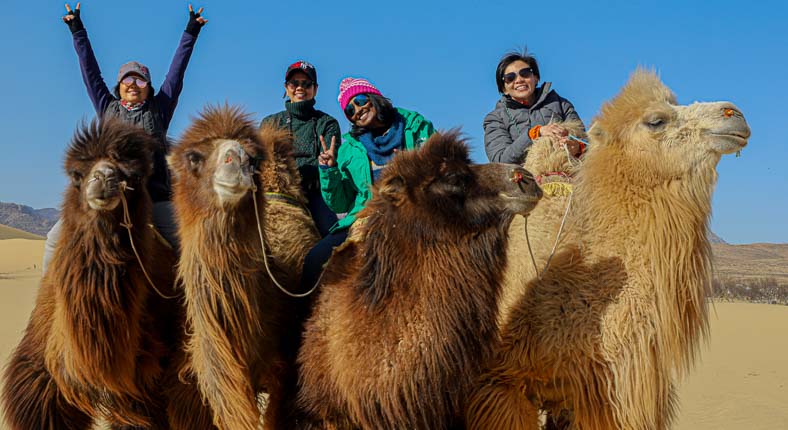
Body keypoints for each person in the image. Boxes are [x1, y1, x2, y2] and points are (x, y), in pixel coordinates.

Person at [43, 2, 208, 272]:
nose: (133, 85)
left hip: (153, 198)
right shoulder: (107, 108)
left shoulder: (159, 108)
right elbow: (90, 73)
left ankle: (190, 307)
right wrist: (77, 30)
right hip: (109, 193)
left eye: (140, 81)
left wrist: (191, 31)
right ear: (118, 87)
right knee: (53, 240)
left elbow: (176, 72)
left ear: (149, 87)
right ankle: (48, 305)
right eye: (127, 81)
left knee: (191, 244)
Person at [300, 77, 435, 292]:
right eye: (350, 111)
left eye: (360, 100)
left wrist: (413, 171)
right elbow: (340, 204)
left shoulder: (415, 126)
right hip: (366, 217)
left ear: (374, 97)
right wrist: (329, 170)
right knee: (314, 261)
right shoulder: (349, 149)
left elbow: (439, 167)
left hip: (416, 210)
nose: (358, 110)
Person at [261, 60, 341, 237]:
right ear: (286, 87)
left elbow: (331, 160)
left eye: (306, 84)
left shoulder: (327, 123)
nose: (300, 88)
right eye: (294, 83)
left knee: (331, 240)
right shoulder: (270, 123)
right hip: (276, 193)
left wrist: (325, 163)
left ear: (315, 89)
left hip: (313, 194)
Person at [483, 49, 585, 164]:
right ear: (504, 89)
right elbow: (500, 160)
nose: (519, 80)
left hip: (566, 174)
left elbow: (587, 143)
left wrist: (576, 148)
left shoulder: (561, 104)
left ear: (535, 78)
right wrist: (534, 134)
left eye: (525, 73)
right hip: (523, 179)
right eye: (510, 78)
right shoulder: (495, 118)